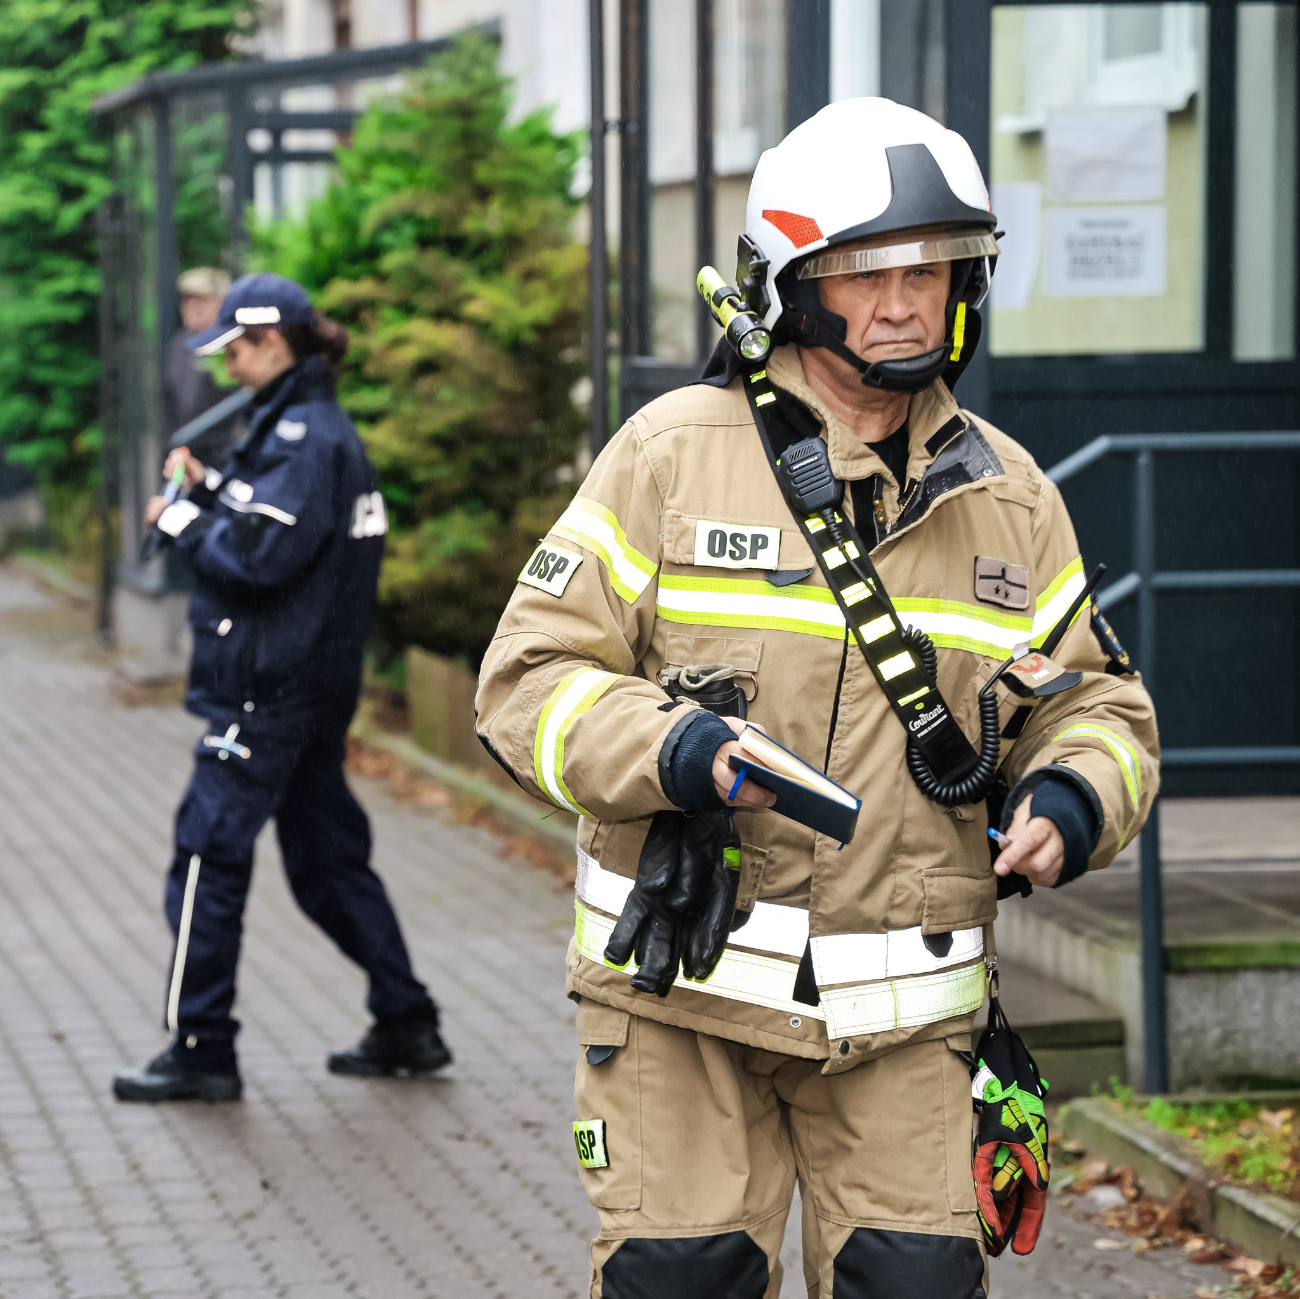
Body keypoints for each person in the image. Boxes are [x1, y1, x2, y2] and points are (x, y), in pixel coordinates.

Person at [475, 99, 1159, 1297]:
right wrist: (672, 750)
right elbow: (526, 681)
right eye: (860, 272)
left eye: (928, 268)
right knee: (676, 1283)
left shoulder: (1013, 497)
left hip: (909, 1029)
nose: (902, 300)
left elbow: (1097, 701)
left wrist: (1073, 792)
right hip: (679, 1001)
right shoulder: (669, 455)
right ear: (793, 286)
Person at [114, 273, 451, 1103]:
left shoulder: (307, 438)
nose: (225, 362)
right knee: (328, 864)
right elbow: (262, 516)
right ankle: (407, 1022)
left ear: (272, 341)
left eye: (233, 346)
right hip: (302, 691)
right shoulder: (294, 427)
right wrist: (207, 489)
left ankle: (200, 1047)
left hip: (267, 694)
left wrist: (180, 519)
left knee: (205, 856)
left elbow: (261, 559)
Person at [163, 267, 241, 464]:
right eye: (188, 299)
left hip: (225, 456)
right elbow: (169, 402)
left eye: (203, 299)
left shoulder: (235, 345)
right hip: (184, 453)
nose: (193, 306)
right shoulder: (179, 344)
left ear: (222, 302)